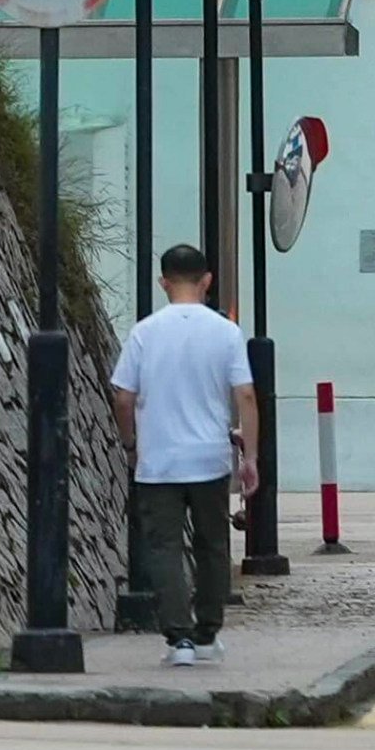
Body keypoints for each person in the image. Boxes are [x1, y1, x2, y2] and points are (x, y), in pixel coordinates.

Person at [110, 244, 258, 666]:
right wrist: (250, 457)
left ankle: (180, 641)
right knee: (212, 545)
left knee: (165, 549)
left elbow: (123, 397)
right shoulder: (226, 332)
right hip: (209, 459)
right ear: (207, 280)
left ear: (163, 282)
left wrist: (131, 443)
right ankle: (208, 633)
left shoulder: (144, 332)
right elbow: (245, 394)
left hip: (159, 462)